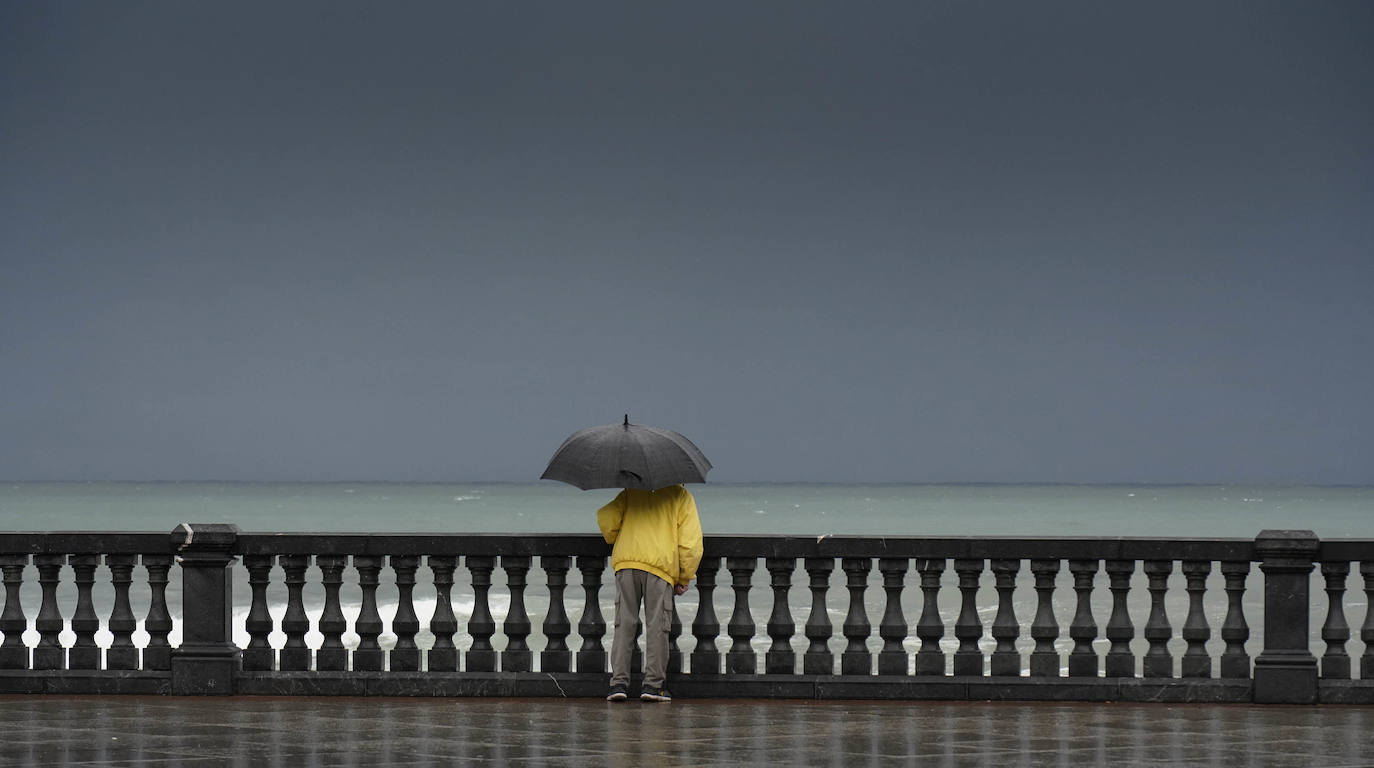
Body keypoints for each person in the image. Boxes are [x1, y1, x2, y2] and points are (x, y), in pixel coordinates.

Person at [596, 483, 703, 703]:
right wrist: (684, 576)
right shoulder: (680, 495)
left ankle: (618, 683)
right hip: (660, 568)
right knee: (657, 626)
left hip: (627, 563)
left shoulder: (630, 491)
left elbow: (607, 521)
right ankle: (653, 685)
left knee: (624, 623)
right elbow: (691, 544)